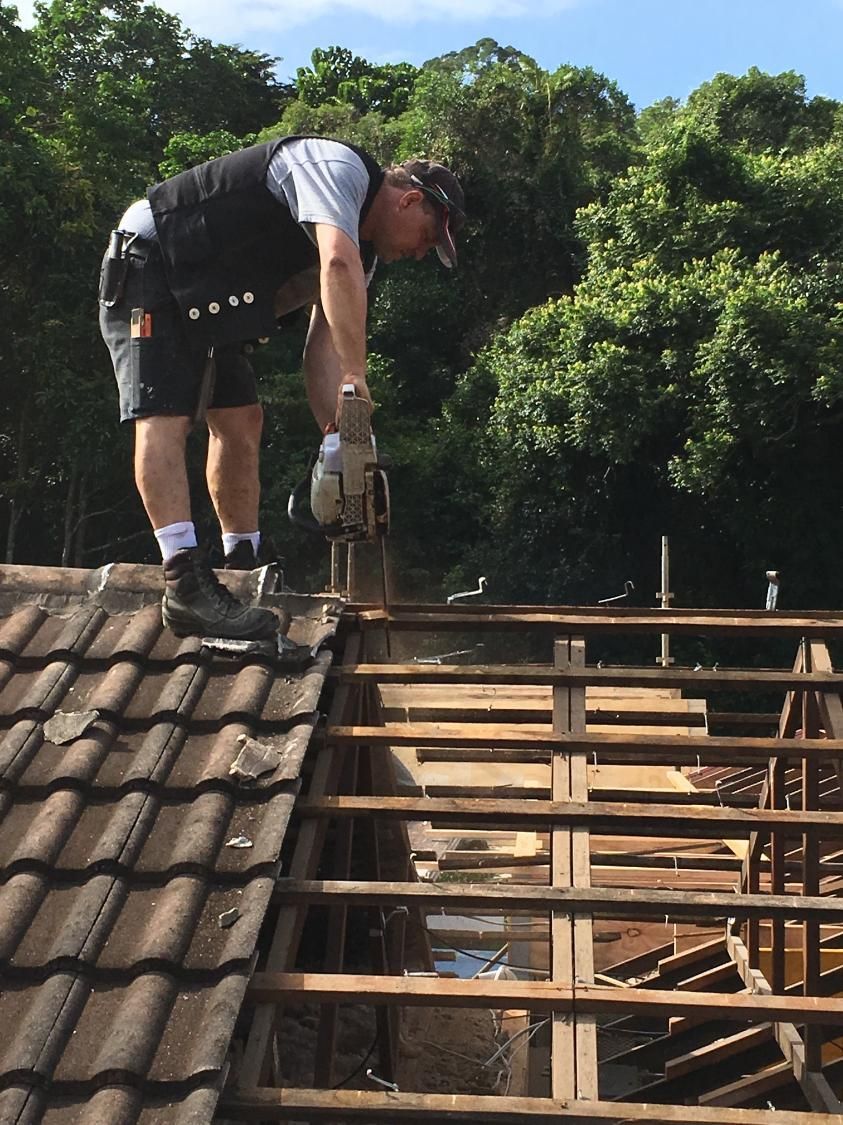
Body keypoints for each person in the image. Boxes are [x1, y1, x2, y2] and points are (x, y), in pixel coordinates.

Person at [98, 135, 465, 640]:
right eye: (427, 238)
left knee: (241, 419)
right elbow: (337, 265)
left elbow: (324, 345)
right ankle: (183, 578)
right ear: (410, 200)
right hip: (153, 261)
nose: (421, 254)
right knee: (165, 415)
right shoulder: (338, 171)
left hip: (207, 295)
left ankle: (240, 564)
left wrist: (339, 439)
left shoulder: (365, 253)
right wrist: (358, 375)